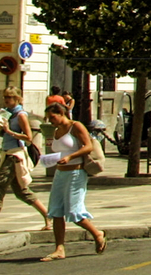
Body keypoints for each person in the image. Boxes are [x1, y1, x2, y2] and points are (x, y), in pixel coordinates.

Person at [40, 102, 106, 260]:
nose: (50, 121)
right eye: (48, 118)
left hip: (75, 173)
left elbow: (88, 146)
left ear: (61, 113)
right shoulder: (56, 130)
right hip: (60, 173)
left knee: (74, 211)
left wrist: (70, 157)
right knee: (56, 211)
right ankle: (59, 248)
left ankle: (97, 233)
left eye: (52, 117)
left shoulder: (75, 126)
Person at [0, 87, 52, 232]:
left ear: (17, 98)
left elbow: (28, 137)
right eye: (5, 97)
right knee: (21, 191)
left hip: (15, 155)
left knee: (0, 186)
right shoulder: (7, 113)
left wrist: (9, 131)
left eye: (9, 97)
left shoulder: (21, 115)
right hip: (6, 152)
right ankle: (48, 215)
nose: (6, 100)